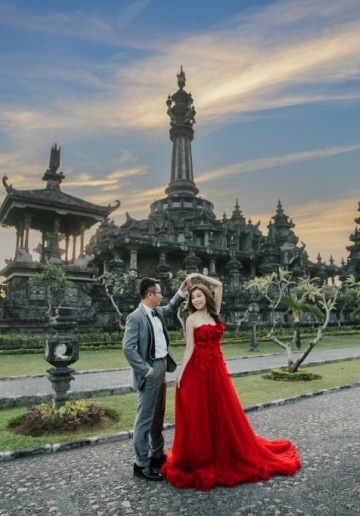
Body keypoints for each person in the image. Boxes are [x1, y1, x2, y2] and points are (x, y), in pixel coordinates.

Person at [161, 272, 302, 491]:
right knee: (202, 412)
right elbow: (190, 347)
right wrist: (181, 371)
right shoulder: (191, 319)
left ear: (206, 297)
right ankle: (206, 455)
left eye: (199, 296)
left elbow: (219, 285)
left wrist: (198, 276)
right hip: (198, 368)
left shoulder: (214, 311)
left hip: (216, 367)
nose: (196, 300)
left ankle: (224, 451)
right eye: (193, 298)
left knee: (222, 410)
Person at [123, 276, 190, 481]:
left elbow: (170, 308)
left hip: (162, 365)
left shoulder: (157, 312)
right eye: (159, 292)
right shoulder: (136, 317)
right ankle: (141, 464)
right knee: (145, 418)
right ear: (150, 295)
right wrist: (145, 370)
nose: (162, 296)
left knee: (158, 414)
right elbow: (128, 348)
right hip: (150, 370)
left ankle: (156, 455)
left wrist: (182, 292)